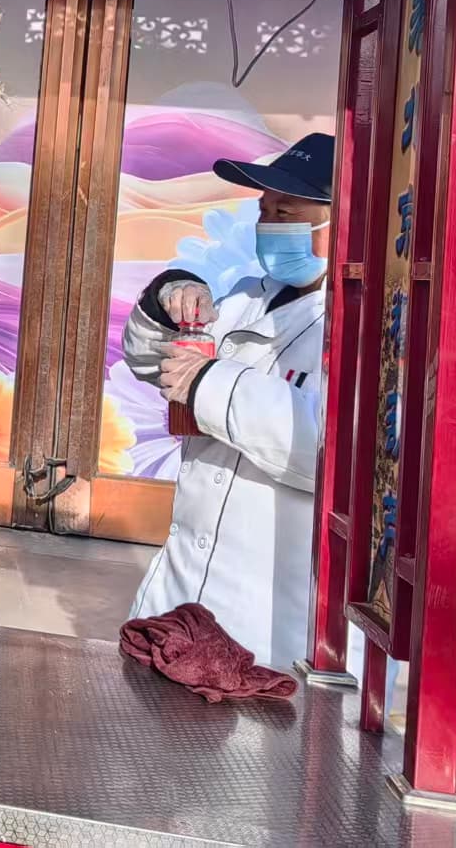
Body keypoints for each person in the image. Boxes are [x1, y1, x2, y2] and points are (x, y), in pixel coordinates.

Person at [122, 132, 345, 671]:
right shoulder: (247, 296)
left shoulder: (366, 331)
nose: (269, 224)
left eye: (287, 211)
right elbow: (161, 366)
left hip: (269, 624)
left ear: (344, 224)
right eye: (265, 210)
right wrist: (163, 303)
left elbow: (330, 451)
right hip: (177, 600)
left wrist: (210, 384)